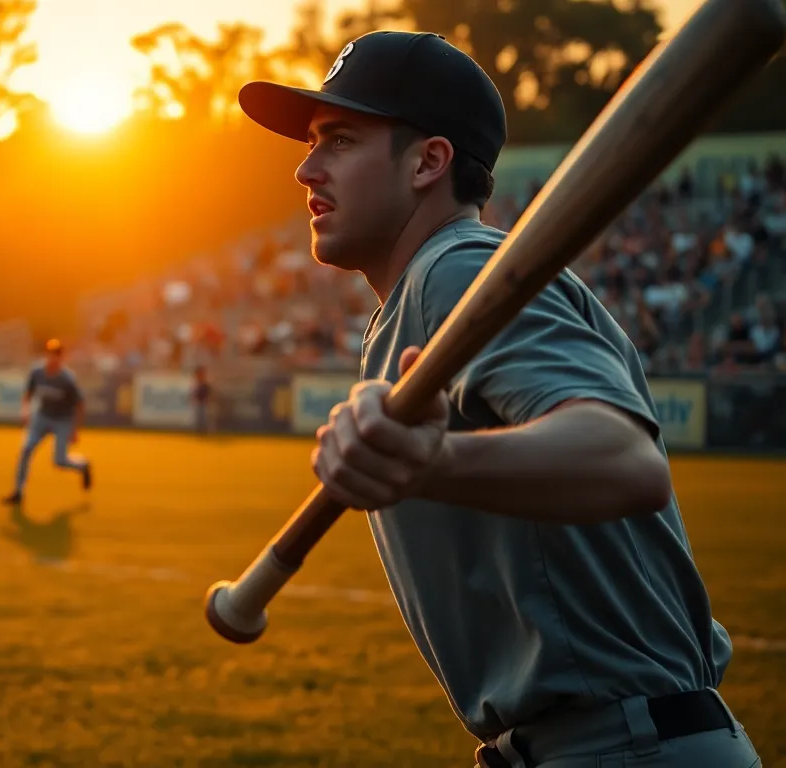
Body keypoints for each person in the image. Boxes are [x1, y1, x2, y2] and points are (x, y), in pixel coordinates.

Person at [237, 29, 756, 768]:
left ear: (429, 161)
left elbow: (625, 461)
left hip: (625, 748)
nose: (306, 168)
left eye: (341, 140)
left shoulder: (457, 268)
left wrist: (433, 465)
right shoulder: (418, 297)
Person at [2, 339, 91, 505]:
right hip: (42, 417)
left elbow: (80, 404)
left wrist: (75, 430)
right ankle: (18, 493)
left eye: (57, 354)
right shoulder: (37, 373)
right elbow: (28, 394)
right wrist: (25, 412)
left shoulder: (67, 379)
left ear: (62, 358)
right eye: (51, 354)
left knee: (60, 461)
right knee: (26, 450)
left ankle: (83, 466)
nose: (53, 358)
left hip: (62, 420)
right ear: (46, 355)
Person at [191, 365, 213, 434]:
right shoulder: (195, 384)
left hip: (204, 403)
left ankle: (204, 430)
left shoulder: (205, 384)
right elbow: (193, 394)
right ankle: (198, 430)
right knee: (198, 418)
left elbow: (209, 393)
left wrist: (208, 400)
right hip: (198, 403)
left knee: (204, 418)